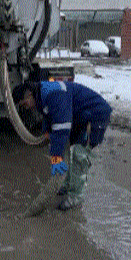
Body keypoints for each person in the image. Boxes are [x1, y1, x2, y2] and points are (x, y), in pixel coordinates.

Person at [12, 80, 112, 215]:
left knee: (79, 155)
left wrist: (56, 158)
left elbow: (61, 130)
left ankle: (76, 196)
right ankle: (66, 184)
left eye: (24, 103)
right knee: (70, 151)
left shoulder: (53, 95)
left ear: (29, 95)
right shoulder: (42, 95)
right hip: (79, 116)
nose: (26, 107)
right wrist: (46, 131)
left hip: (95, 115)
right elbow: (49, 115)